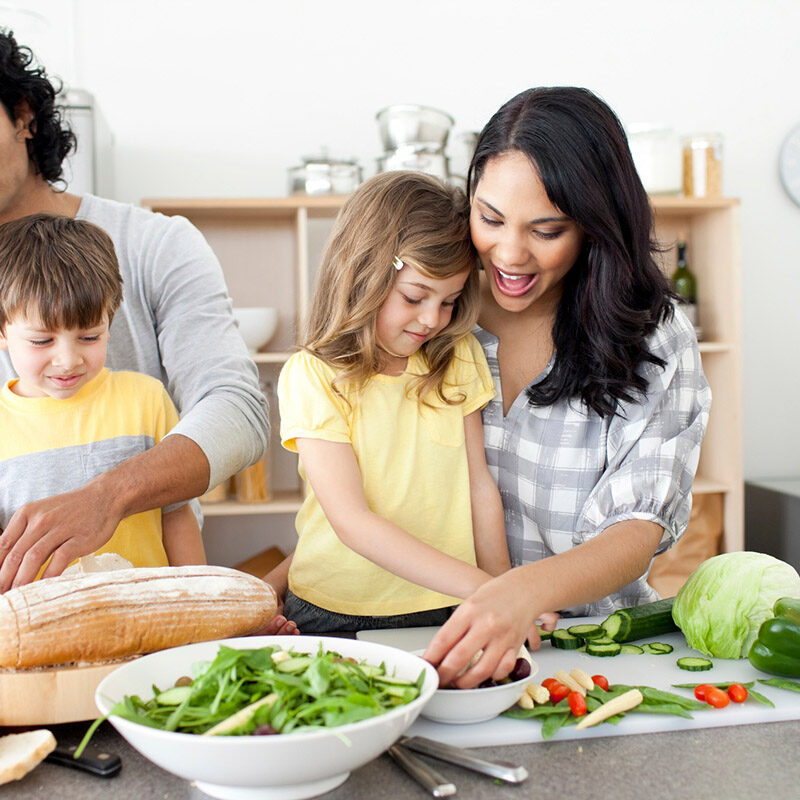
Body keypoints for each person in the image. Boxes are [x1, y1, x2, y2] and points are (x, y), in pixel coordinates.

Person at [423, 87, 712, 687]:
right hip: (435, 644)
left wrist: (518, 594)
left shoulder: (653, 337)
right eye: (490, 218)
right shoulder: (433, 313)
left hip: (597, 655)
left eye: (546, 230)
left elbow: (635, 531)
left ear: (595, 224)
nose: (509, 253)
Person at [0, 30, 269, 591]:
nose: (64, 358)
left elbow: (238, 411)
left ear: (23, 115)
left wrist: (108, 496)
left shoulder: (155, 245)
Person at [272, 171, 511, 633]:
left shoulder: (456, 356)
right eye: (415, 297)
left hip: (448, 604)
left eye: (449, 301)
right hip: (335, 610)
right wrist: (486, 589)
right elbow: (352, 522)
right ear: (363, 275)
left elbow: (479, 486)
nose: (432, 320)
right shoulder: (313, 375)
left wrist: (505, 589)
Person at [0, 213, 206, 568]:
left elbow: (176, 516)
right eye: (41, 340)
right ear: (3, 331)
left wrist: (204, 606)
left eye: (89, 337)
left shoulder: (147, 400)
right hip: (42, 620)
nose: (67, 360)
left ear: (109, 323)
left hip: (149, 613)